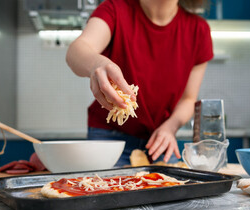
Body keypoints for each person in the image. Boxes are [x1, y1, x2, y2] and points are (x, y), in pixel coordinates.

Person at [66, 0, 213, 167]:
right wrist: (95, 64)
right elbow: (77, 50)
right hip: (110, 138)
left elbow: (188, 99)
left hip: (159, 141)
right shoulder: (114, 9)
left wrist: (170, 128)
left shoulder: (198, 30)